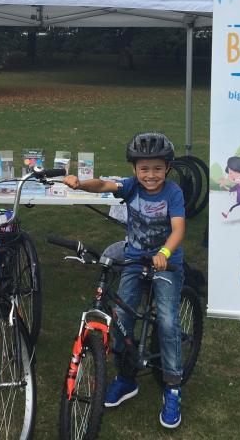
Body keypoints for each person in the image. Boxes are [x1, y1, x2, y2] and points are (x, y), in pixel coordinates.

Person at [62, 131, 186, 429]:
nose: (151, 175)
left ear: (167, 168)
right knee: (120, 319)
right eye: (144, 168)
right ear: (134, 169)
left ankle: (173, 388)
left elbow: (179, 229)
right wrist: (80, 183)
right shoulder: (131, 187)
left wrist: (165, 252)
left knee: (168, 322)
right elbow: (105, 184)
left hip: (165, 263)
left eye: (157, 168)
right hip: (133, 259)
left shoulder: (173, 193)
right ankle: (126, 378)